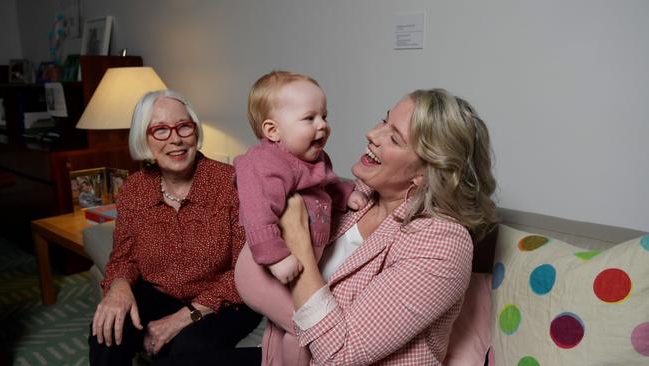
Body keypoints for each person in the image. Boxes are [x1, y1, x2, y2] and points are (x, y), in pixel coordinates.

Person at [247, 88, 498, 365]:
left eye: (394, 138)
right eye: (384, 120)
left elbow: (340, 356)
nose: (372, 134)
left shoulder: (442, 242)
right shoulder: (357, 196)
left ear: (425, 174)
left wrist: (298, 241)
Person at [88, 90, 261, 366]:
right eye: (160, 130)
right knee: (107, 330)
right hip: (158, 293)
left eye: (183, 126)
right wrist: (118, 287)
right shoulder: (134, 189)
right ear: (143, 138)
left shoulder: (231, 184)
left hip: (224, 303)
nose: (176, 139)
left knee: (187, 347)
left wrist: (183, 318)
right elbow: (124, 258)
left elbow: (246, 273)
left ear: (195, 131)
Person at [233, 71, 367, 365]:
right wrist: (275, 257)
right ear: (273, 131)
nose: (323, 125)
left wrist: (345, 194)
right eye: (310, 118)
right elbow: (256, 213)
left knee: (282, 329)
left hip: (295, 268)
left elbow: (325, 185)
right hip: (262, 270)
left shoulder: (314, 157)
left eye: (324, 116)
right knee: (303, 326)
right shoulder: (263, 163)